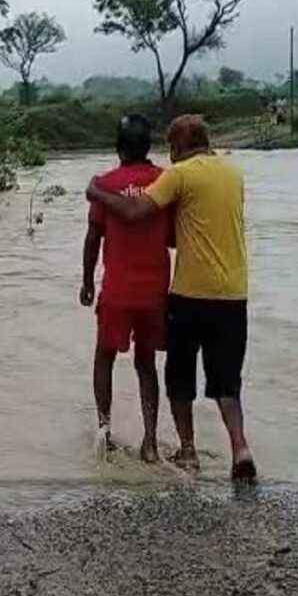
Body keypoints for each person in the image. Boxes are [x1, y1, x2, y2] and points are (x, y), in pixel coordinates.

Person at [86, 114, 256, 483]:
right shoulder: (226, 175)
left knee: (152, 369)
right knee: (216, 380)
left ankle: (159, 444)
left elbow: (116, 222)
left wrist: (97, 192)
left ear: (178, 147)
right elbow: (174, 234)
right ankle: (226, 446)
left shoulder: (170, 176)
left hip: (166, 293)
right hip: (211, 293)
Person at [81, 115, 170, 464]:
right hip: (155, 291)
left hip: (117, 291)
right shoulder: (165, 181)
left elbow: (93, 238)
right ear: (149, 147)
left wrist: (87, 281)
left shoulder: (105, 184)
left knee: (104, 356)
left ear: (118, 148)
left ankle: (104, 431)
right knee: (146, 364)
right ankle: (150, 441)